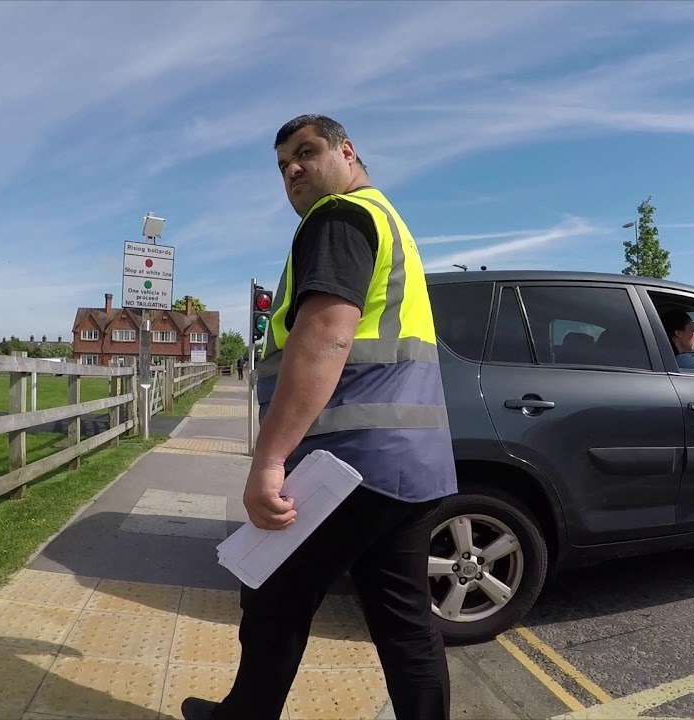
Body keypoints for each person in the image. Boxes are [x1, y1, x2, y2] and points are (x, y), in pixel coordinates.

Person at [181, 114, 457, 720]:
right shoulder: (389, 221)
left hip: (348, 464)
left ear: (348, 152)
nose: (293, 171)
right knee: (405, 622)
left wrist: (270, 459)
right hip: (411, 465)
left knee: (273, 594)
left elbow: (325, 337)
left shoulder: (338, 218)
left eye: (305, 153)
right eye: (283, 166)